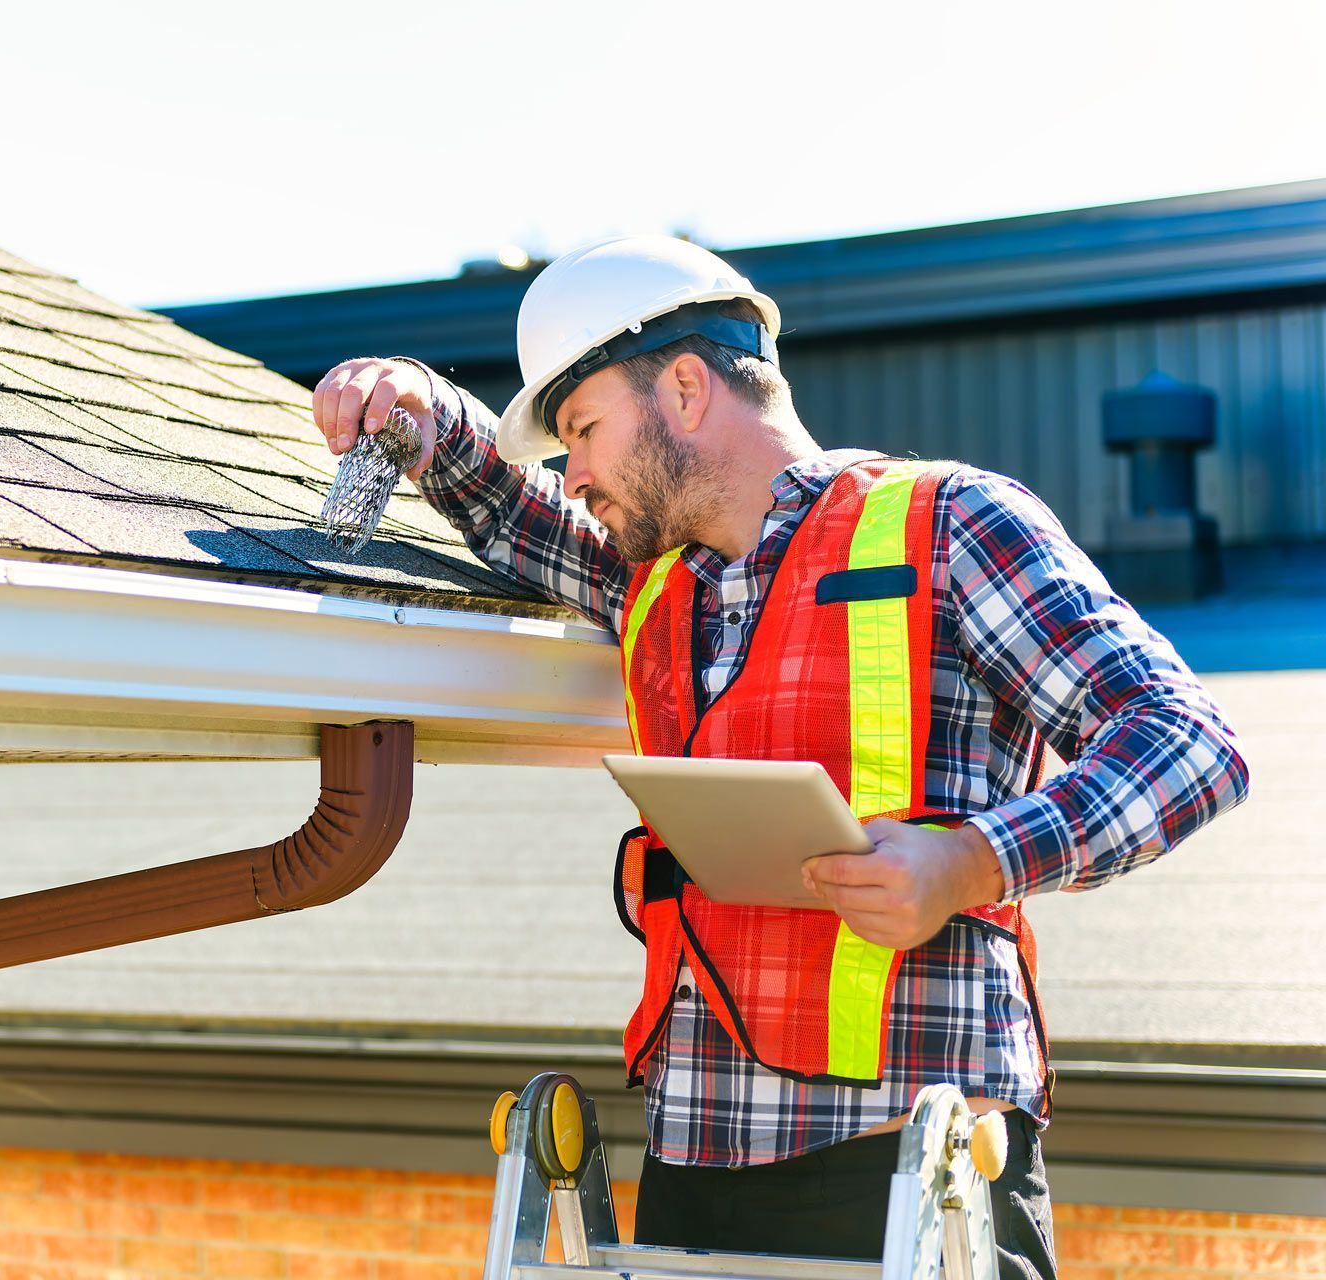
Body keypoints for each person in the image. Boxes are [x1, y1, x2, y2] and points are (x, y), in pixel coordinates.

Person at [309, 236, 1249, 1279]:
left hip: (912, 1165)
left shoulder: (952, 525)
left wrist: (971, 861)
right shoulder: (656, 585)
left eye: (582, 429)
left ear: (684, 387)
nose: (571, 473)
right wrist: (414, 405)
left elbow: (1185, 740)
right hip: (695, 1160)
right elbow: (503, 502)